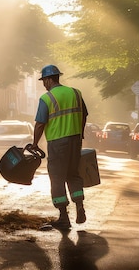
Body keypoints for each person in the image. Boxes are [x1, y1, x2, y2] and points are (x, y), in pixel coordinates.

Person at [29, 64, 88, 230]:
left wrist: (34, 143)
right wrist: (80, 133)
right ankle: (79, 206)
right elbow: (85, 114)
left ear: (48, 80)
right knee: (74, 175)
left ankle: (63, 216)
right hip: (75, 141)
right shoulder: (76, 93)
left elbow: (40, 124)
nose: (43, 84)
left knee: (57, 178)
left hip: (57, 143)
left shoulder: (47, 98)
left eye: (43, 80)